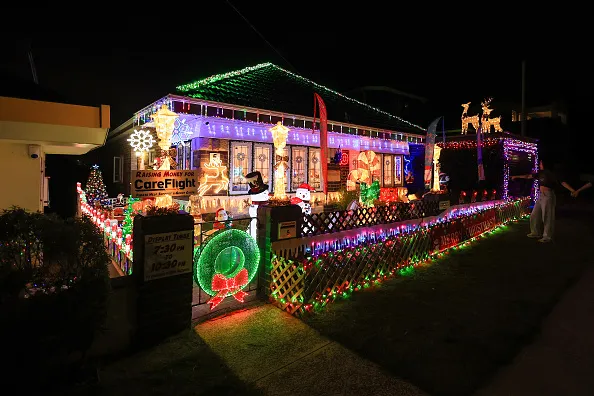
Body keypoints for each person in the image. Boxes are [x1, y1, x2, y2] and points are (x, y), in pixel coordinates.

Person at [512, 160, 576, 243]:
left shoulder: (551, 173)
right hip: (540, 196)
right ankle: (535, 232)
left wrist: (572, 190)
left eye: (541, 163)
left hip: (548, 195)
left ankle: (547, 237)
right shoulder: (540, 173)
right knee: (534, 215)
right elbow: (528, 176)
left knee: (546, 216)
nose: (540, 164)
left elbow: (562, 182)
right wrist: (516, 176)